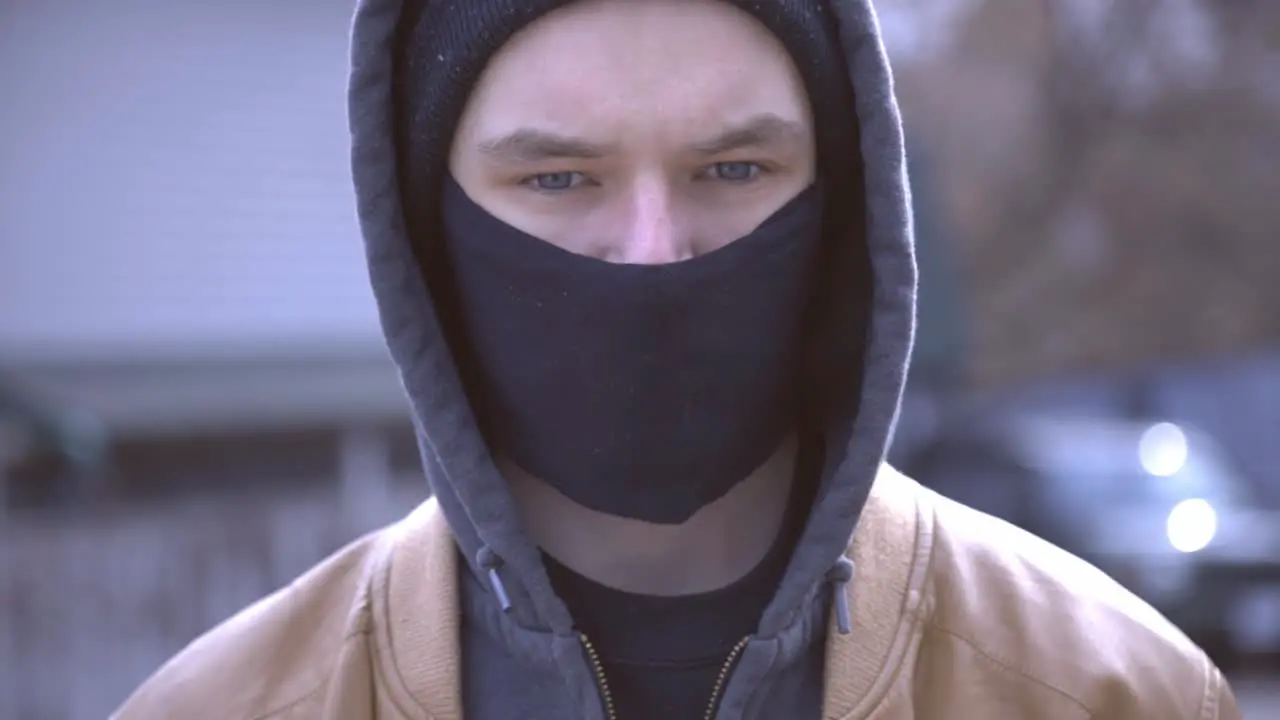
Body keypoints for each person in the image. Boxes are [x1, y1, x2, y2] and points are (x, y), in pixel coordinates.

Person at [115, 0, 1240, 718]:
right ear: (428, 233)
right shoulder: (234, 704)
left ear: (841, 206)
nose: (655, 254)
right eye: (557, 180)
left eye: (734, 170)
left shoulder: (1110, 691)